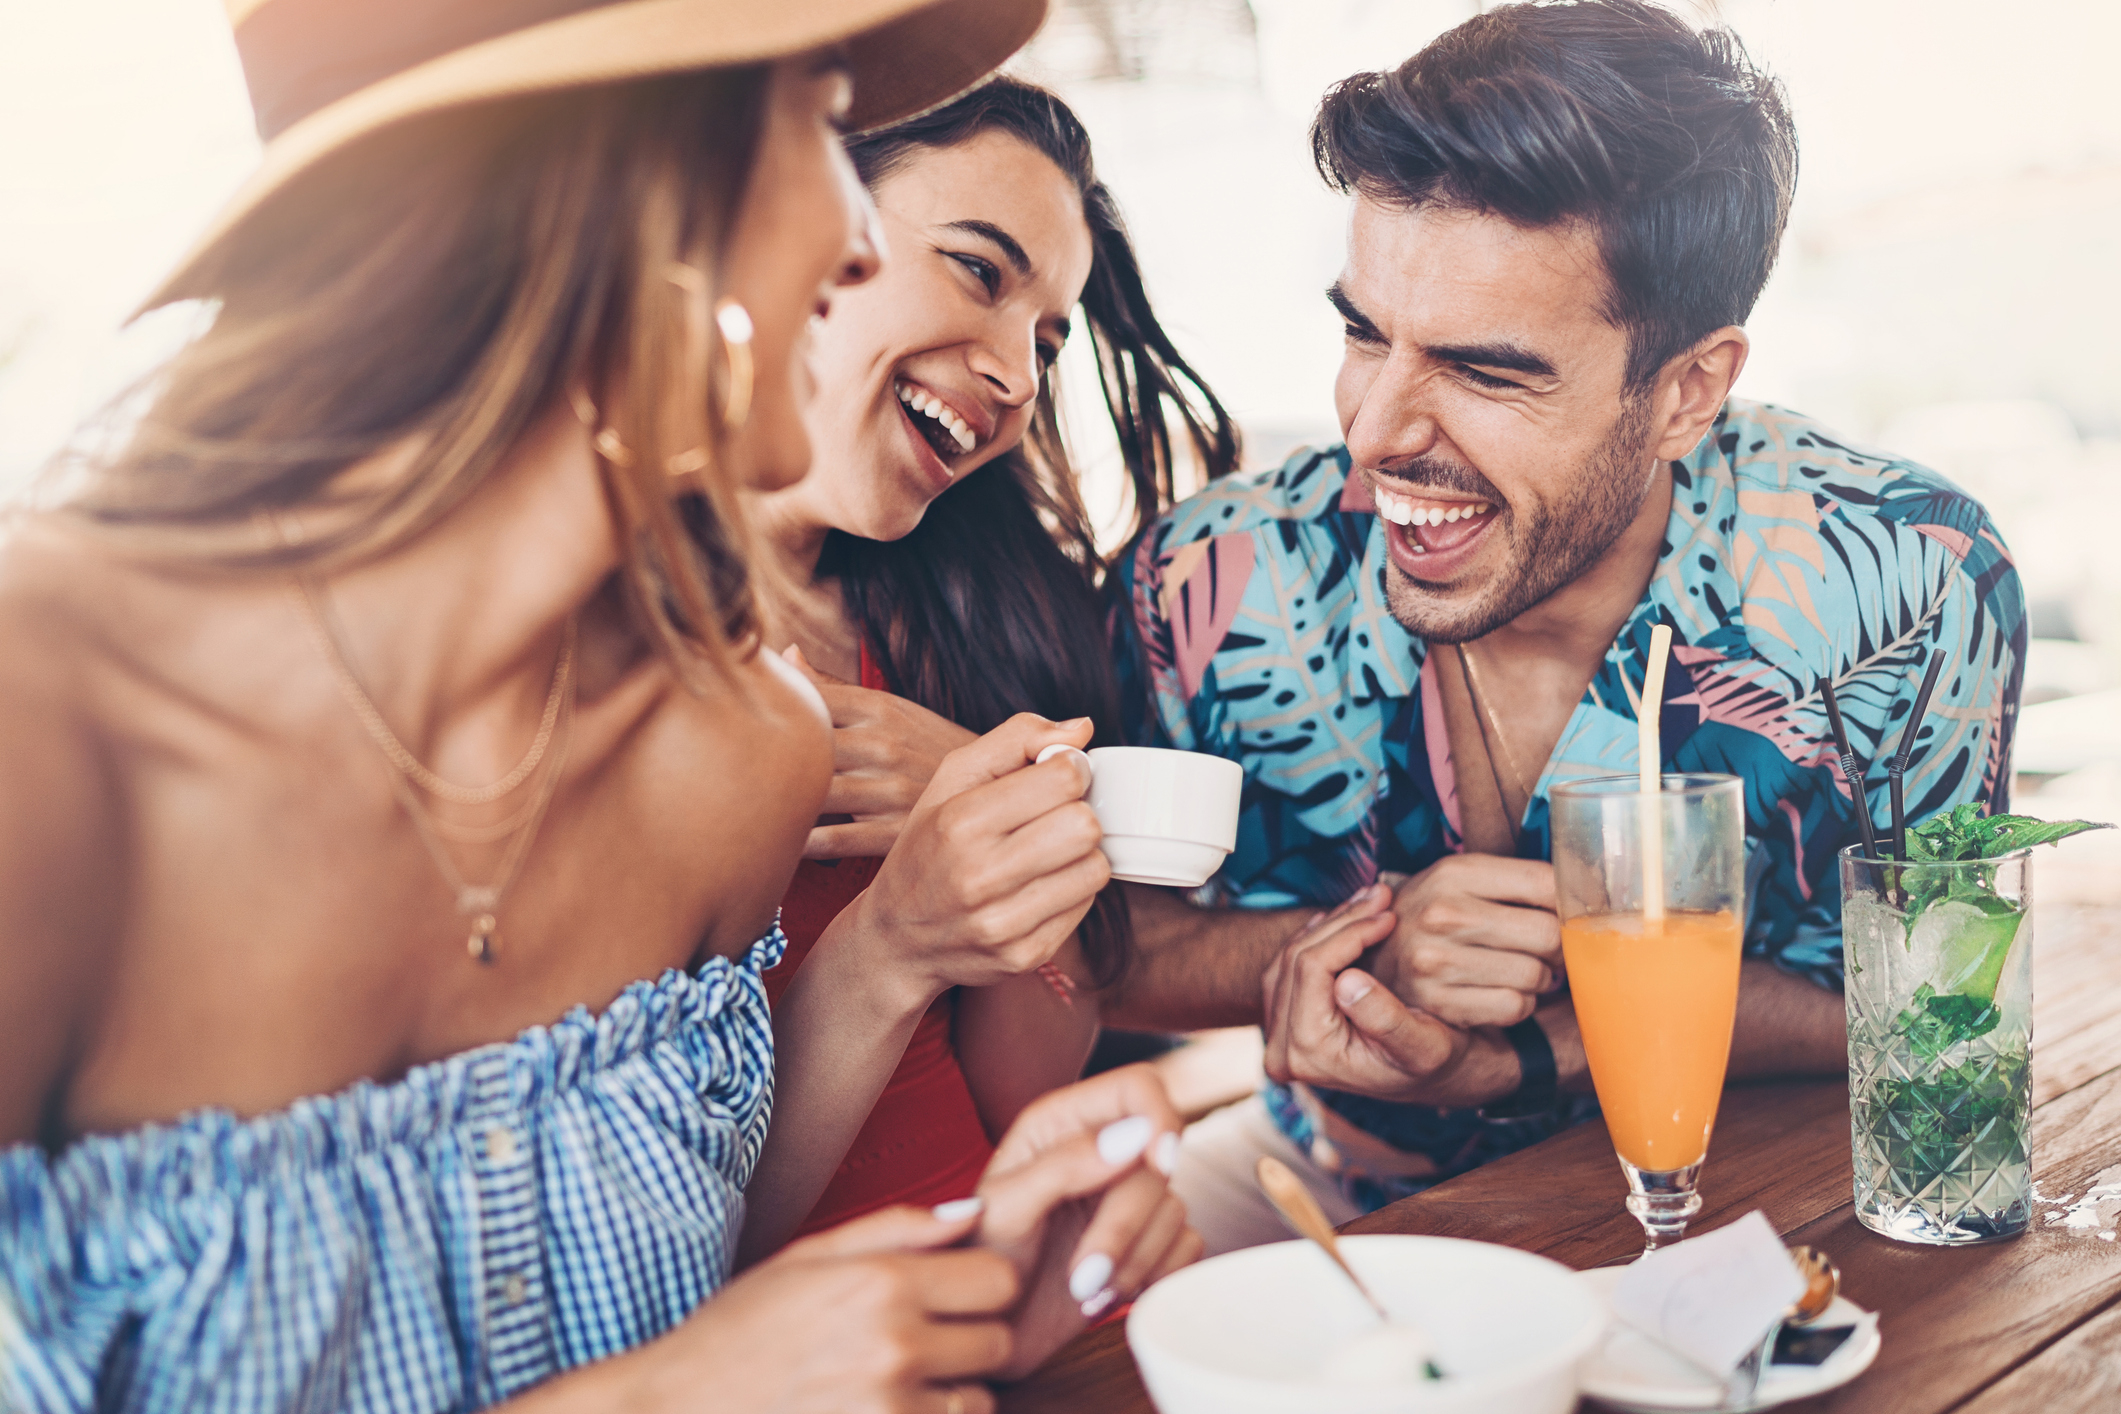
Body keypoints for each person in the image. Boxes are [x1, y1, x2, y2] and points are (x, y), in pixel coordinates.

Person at [0, 2, 1195, 1410]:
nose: (857, 237)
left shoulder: (745, 748)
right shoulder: (48, 725)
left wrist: (935, 1296)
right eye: (816, 130)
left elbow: (681, 1272)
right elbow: (676, 1374)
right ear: (609, 176)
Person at [1104, 0, 2026, 1254]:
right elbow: (1108, 947)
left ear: (1687, 391)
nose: (1372, 437)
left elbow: (1934, 1004)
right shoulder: (1209, 575)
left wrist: (1528, 1050)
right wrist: (1345, 955)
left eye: (1485, 372)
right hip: (1316, 1186)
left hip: (1761, 1188)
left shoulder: (1908, 577)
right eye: (1363, 332)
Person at [738, 76, 1239, 1261]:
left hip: (1000, 1305)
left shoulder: (948, 628)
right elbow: (650, 1259)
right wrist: (899, 931)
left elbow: (1020, 1102)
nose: (1019, 377)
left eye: (1049, 341)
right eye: (979, 270)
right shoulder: (575, 650)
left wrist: (1000, 834)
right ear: (803, 220)